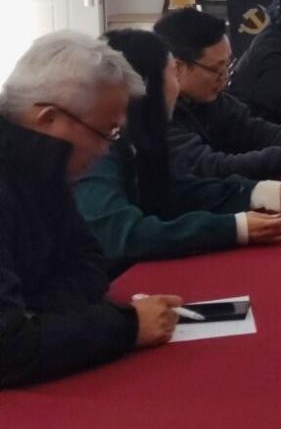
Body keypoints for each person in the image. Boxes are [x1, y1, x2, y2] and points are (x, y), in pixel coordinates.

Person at [0, 31, 183, 387]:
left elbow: (90, 263)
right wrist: (128, 326)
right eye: (107, 131)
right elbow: (9, 349)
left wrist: (36, 313)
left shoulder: (42, 166)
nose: (104, 150)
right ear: (48, 119)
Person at [73, 30, 281, 274]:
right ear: (147, 85)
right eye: (173, 74)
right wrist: (233, 228)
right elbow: (124, 234)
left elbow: (180, 190)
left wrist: (260, 193)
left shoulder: (141, 135)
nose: (178, 85)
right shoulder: (95, 148)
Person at [154, 7, 281, 180]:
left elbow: (253, 131)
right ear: (177, 68)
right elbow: (213, 167)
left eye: (228, 65)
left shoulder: (208, 99)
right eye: (217, 69)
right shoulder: (154, 115)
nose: (224, 77)